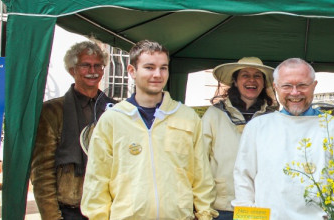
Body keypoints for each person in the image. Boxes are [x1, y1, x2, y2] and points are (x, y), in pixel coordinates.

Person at [81, 40, 216, 220]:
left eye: (163, 68)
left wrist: (205, 214)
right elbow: (96, 180)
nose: (157, 74)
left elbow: (202, 176)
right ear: (132, 71)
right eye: (149, 67)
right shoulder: (112, 119)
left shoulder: (187, 117)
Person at [232, 58, 334, 219]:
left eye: (302, 85)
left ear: (314, 86)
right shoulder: (257, 128)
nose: (295, 92)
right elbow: (244, 179)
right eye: (287, 86)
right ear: (276, 87)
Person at [30, 41, 115, 220]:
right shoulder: (52, 111)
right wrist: (52, 217)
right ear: (72, 70)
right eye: (85, 65)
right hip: (70, 209)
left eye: (98, 65)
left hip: (109, 207)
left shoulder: (116, 109)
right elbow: (42, 172)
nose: (93, 70)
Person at [200, 57, 278, 220]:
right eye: (245, 75)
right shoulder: (214, 115)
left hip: (262, 207)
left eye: (257, 76)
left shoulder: (274, 118)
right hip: (222, 207)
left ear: (264, 83)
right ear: (235, 81)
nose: (252, 80)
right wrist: (202, 207)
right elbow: (200, 162)